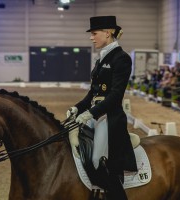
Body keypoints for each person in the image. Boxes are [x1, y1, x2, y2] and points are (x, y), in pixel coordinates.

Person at [66, 16, 137, 200]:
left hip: (109, 118)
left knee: (98, 161)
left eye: (94, 33)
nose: (91, 38)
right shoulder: (100, 59)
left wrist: (90, 112)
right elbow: (92, 94)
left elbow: (115, 96)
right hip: (94, 115)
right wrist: (77, 108)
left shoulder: (121, 58)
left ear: (108, 33)